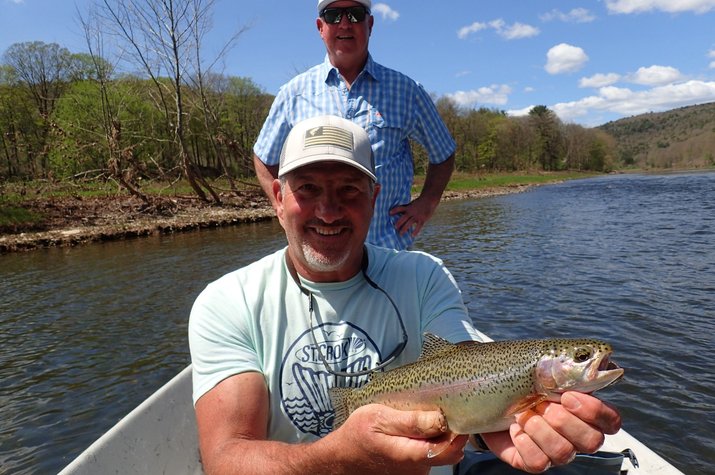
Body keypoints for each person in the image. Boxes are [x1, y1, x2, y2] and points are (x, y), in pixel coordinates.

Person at [190, 115, 622, 475]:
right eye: (308, 189)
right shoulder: (227, 302)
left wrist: (485, 422)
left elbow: (463, 358)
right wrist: (340, 454)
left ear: (374, 198)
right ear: (279, 198)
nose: (328, 209)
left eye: (349, 190)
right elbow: (224, 460)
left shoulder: (423, 274)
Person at [253, 0, 456, 251]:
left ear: (369, 24)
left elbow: (443, 151)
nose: (345, 23)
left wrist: (428, 202)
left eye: (356, 14)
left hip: (388, 249)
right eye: (333, 15)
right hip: (317, 257)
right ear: (320, 27)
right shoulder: (293, 94)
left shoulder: (406, 91)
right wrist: (281, 205)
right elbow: (263, 156)